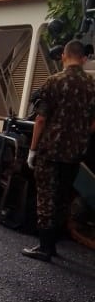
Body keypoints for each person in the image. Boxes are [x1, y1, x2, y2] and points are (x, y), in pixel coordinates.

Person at [22, 39, 95, 261]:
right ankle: (54, 244)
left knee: (46, 197)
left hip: (50, 151)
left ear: (64, 56)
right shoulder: (92, 85)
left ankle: (45, 247)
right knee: (63, 197)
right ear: (83, 58)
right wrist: (81, 136)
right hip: (75, 154)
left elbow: (41, 119)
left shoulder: (54, 81)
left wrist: (32, 150)